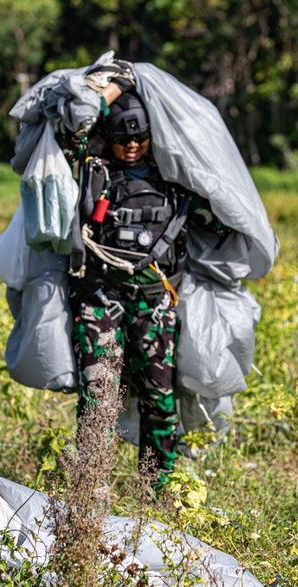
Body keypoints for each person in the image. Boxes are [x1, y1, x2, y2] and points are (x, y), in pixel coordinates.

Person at [64, 64, 232, 490]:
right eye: (123, 139)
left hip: (156, 300)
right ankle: (90, 493)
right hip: (100, 296)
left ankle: (156, 491)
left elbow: (219, 222)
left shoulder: (174, 177)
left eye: (140, 138)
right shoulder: (94, 169)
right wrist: (116, 87)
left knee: (159, 397)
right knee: (98, 397)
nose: (133, 146)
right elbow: (70, 133)